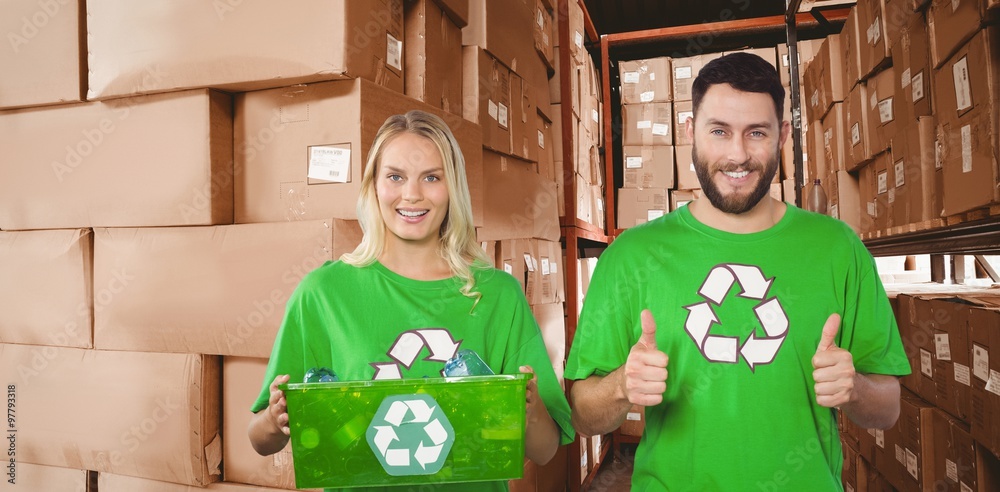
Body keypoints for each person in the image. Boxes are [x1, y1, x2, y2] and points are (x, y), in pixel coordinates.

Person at [565, 52, 910, 490]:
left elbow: (889, 407)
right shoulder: (632, 256)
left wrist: (856, 388)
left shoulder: (838, 249)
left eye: (757, 133)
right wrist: (620, 387)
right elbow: (582, 415)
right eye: (719, 131)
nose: (738, 155)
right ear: (691, 132)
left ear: (783, 135)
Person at [249, 110, 574, 491]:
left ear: (453, 188)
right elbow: (260, 440)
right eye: (395, 176)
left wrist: (530, 411)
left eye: (432, 177)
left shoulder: (497, 295)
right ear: (373, 185)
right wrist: (275, 420)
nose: (412, 194)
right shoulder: (323, 294)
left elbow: (546, 450)